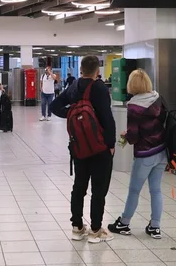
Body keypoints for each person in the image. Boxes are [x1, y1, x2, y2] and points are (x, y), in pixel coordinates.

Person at [50, 56, 116, 244]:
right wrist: (110, 145)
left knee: (79, 187)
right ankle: (96, 230)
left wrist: (70, 113)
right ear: (97, 71)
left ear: (81, 70)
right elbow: (107, 119)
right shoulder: (99, 88)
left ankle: (77, 228)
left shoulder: (74, 87)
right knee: (99, 189)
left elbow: (55, 106)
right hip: (99, 147)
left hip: (78, 146)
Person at [108, 69, 167, 240]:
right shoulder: (158, 98)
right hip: (162, 150)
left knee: (134, 190)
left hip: (145, 154)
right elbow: (161, 121)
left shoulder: (134, 106)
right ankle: (155, 227)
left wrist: (126, 135)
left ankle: (124, 223)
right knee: (156, 190)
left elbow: (133, 137)